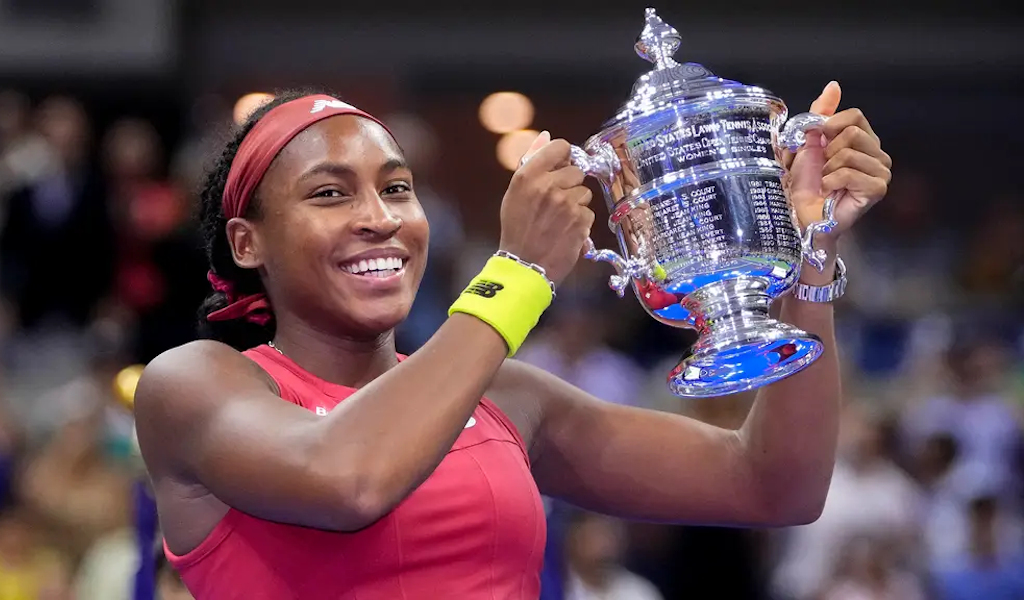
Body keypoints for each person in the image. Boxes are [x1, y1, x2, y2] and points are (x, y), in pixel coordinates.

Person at [135, 83, 891, 598]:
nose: (380, 216)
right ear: (245, 242)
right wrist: (519, 273)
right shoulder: (194, 384)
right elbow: (347, 480)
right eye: (330, 193)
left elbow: (775, 485)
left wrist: (807, 253)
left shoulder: (505, 396)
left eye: (397, 189)